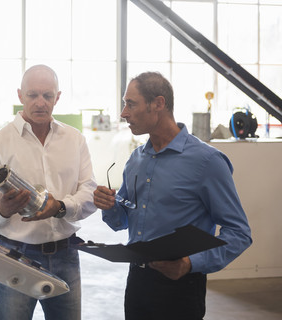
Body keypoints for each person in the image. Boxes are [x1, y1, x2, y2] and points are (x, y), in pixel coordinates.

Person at [93, 71, 252, 320]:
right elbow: (120, 222)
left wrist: (190, 263)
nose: (123, 113)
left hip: (182, 288)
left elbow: (239, 233)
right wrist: (109, 205)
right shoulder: (136, 160)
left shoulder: (207, 162)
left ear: (158, 104)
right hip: (137, 283)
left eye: (130, 104)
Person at [0, 64, 97, 320]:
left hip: (66, 255)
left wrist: (60, 207)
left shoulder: (75, 140)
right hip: (14, 257)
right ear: (20, 95)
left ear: (58, 97)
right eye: (33, 95)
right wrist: (2, 210)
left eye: (48, 96)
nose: (41, 103)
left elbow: (89, 191)